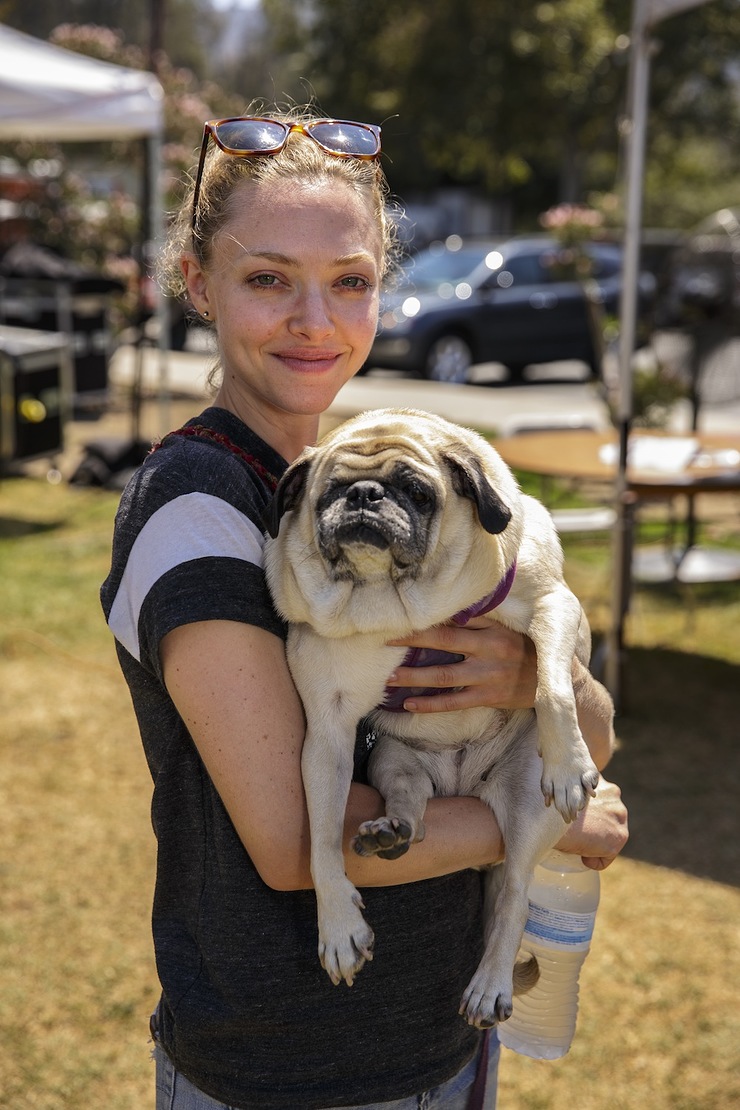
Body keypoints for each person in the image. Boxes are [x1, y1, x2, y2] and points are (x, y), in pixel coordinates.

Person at [101, 109, 628, 1110]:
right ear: (195, 281)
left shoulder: (371, 475)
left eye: (348, 281)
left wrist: (535, 678)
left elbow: (590, 733)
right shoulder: (195, 511)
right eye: (267, 279)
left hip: (444, 1035)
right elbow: (293, 842)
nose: (315, 318)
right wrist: (554, 822)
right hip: (292, 1071)